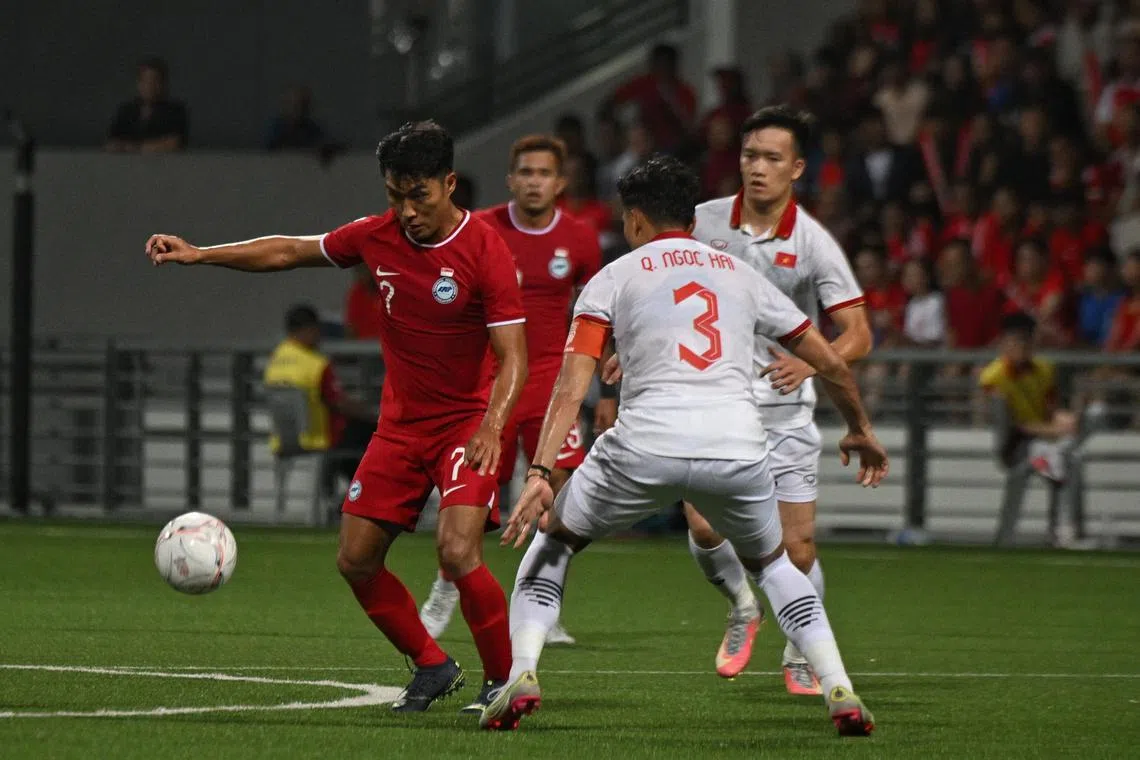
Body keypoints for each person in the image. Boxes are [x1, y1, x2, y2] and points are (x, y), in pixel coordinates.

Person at [481, 156, 885, 736]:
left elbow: (572, 384)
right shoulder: (742, 275)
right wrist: (860, 428)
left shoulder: (614, 277)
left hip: (644, 445)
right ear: (691, 219)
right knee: (774, 564)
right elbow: (829, 361)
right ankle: (837, 686)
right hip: (737, 448)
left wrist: (542, 470)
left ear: (637, 221)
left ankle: (522, 672)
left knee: (556, 543)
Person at [145, 120, 528, 715]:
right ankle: (432, 664)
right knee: (355, 558)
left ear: (449, 183)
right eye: (394, 195)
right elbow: (286, 250)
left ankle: (502, 682)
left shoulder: (485, 250)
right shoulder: (374, 236)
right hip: (400, 428)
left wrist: (492, 425)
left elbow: (514, 357)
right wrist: (202, 254)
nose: (405, 210)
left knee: (456, 552)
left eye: (418, 195)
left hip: (465, 423)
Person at [599, 106, 873, 693]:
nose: (758, 168)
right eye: (750, 155)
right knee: (704, 528)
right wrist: (635, 347)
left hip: (783, 412)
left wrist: (807, 361)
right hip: (713, 406)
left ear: (797, 168)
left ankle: (800, 651)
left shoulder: (814, 243)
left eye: (773, 158)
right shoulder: (699, 222)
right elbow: (654, 284)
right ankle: (742, 607)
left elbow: (859, 333)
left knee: (795, 548)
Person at [419, 135, 601, 654]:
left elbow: (597, 313)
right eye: (525, 172)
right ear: (511, 179)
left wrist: (605, 389)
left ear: (560, 182)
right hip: (494, 382)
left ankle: (543, 605)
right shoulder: (481, 229)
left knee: (558, 500)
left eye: (544, 173)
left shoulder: (581, 239)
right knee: (471, 493)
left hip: (551, 382)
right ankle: (443, 590)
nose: (534, 181)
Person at [980, 313, 1095, 548]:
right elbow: (1010, 424)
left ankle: (1060, 530)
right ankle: (1064, 531)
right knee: (1061, 460)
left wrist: (1065, 420)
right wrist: (1051, 430)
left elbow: (1051, 408)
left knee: (1067, 458)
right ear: (1004, 343)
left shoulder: (1044, 369)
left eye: (1026, 340)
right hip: (1017, 446)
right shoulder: (993, 376)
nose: (1022, 347)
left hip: (1043, 441)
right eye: (1016, 340)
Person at [263, 304, 376, 493]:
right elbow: (339, 402)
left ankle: (350, 496)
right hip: (317, 437)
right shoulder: (316, 363)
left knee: (353, 443)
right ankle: (364, 497)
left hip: (284, 439)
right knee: (372, 436)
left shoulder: (276, 359)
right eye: (317, 330)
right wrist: (374, 415)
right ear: (308, 329)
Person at [105, 57, 188, 153]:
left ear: (164, 84)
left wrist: (136, 148)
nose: (150, 86)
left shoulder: (176, 110)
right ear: (139, 83)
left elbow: (175, 143)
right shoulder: (126, 110)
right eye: (146, 81)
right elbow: (111, 142)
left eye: (155, 81)